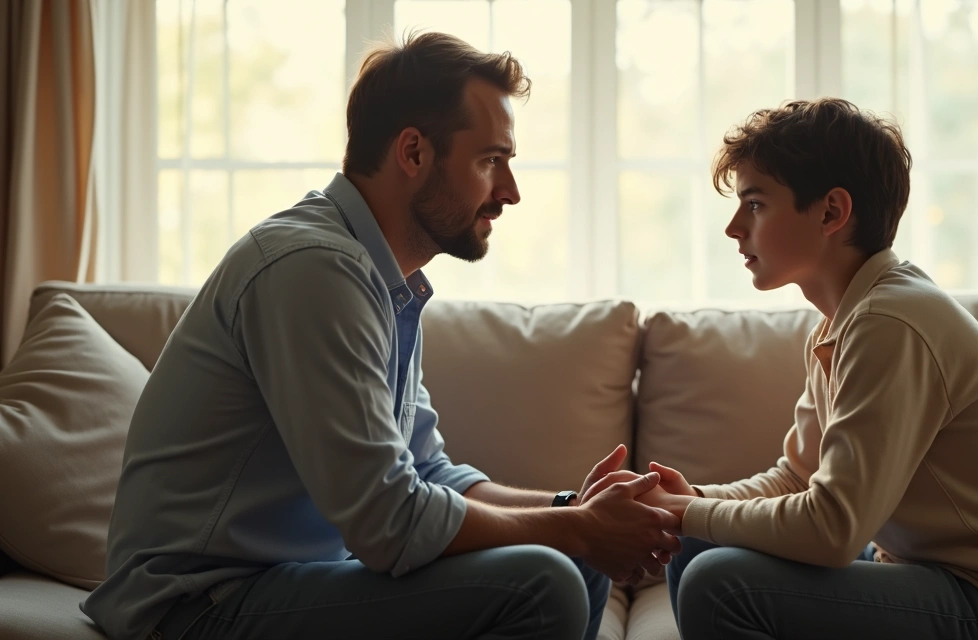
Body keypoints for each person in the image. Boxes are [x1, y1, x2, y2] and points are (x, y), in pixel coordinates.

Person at [82, 32, 680, 640]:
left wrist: (574, 513)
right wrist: (578, 527)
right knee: (543, 578)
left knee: (577, 564)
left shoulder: (382, 279)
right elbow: (388, 521)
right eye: (489, 160)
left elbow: (426, 469)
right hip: (194, 603)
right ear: (414, 152)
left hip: (281, 580)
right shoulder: (312, 269)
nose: (509, 192)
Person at [635, 98, 978, 639]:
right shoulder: (847, 321)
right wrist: (692, 502)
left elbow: (832, 528)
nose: (733, 228)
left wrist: (685, 512)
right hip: (927, 571)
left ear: (832, 212)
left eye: (756, 204)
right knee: (696, 543)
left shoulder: (890, 322)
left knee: (720, 581)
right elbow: (797, 477)